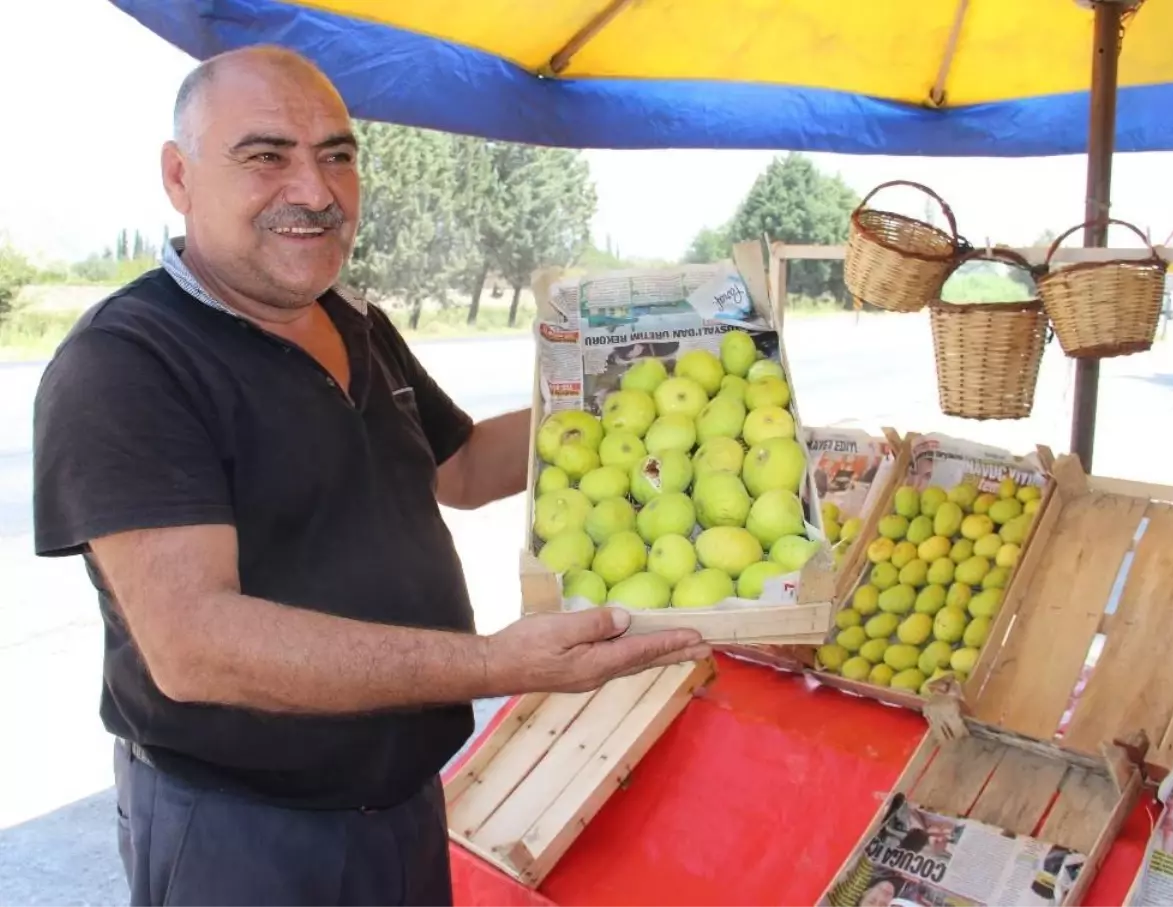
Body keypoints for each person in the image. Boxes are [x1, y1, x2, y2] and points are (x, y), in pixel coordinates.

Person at [31, 45, 708, 907]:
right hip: (244, 833)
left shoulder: (354, 321)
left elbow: (458, 467)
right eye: (266, 155)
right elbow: (194, 646)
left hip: (405, 802)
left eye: (338, 156)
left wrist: (630, 399)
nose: (314, 191)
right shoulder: (129, 362)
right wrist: (494, 663)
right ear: (179, 175)